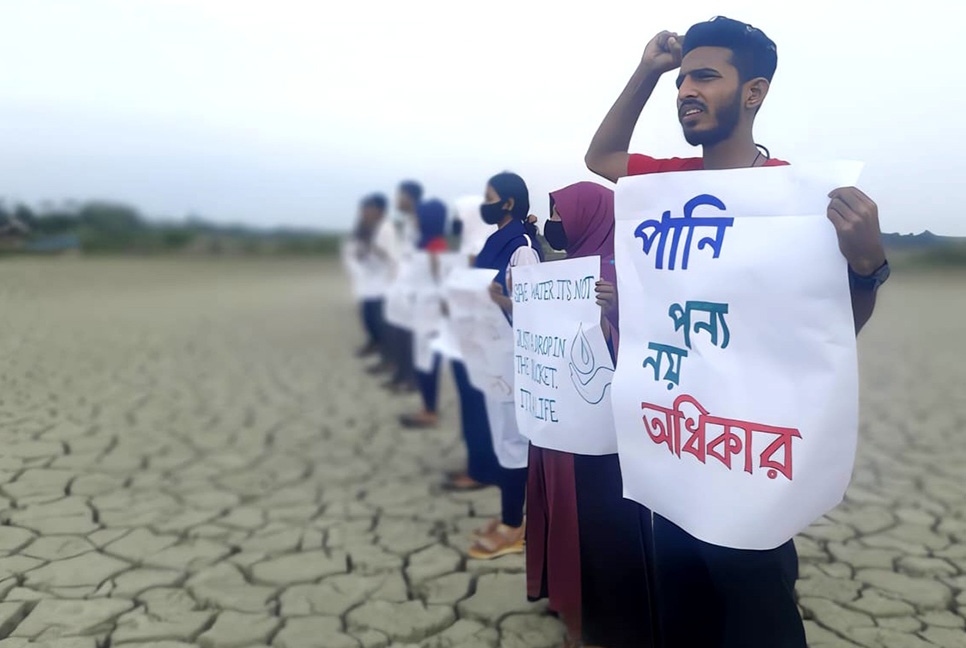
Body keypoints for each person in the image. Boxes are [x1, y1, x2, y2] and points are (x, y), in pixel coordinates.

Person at [585, 16, 889, 648]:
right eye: (681, 81)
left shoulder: (795, 200)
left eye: (705, 77)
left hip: (747, 461)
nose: (685, 92)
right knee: (681, 612)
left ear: (753, 93)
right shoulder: (669, 184)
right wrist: (648, 69)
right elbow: (601, 158)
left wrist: (866, 265)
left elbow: (828, 335)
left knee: (756, 609)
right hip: (673, 453)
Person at [526, 182, 654, 648]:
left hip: (604, 432)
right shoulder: (566, 273)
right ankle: (568, 602)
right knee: (568, 514)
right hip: (560, 420)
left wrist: (615, 313)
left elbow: (647, 337)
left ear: (588, 216)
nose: (556, 222)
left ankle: (603, 626)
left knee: (599, 523)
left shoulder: (626, 272)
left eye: (560, 213)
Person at [467, 171, 543, 560]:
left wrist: (501, 302)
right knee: (502, 442)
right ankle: (509, 517)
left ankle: (516, 526)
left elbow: (535, 312)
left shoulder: (522, 247)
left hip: (514, 360)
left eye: (490, 196)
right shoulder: (494, 242)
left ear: (508, 203)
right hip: (491, 356)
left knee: (514, 444)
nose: (485, 202)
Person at [442, 196, 501, 491]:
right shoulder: (470, 248)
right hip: (463, 342)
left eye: (459, 216)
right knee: (472, 407)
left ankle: (482, 470)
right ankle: (477, 464)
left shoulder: (479, 251)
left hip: (478, 345)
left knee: (478, 409)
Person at [400, 199, 449, 428]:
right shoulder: (425, 243)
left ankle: (430, 410)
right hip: (421, 311)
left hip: (431, 316)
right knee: (422, 362)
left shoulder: (435, 246)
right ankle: (426, 406)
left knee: (427, 364)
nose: (416, 220)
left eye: (419, 216)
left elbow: (441, 282)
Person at [381, 180, 424, 393]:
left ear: (409, 198)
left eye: (400, 196)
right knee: (397, 329)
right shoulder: (409, 220)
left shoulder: (419, 220)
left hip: (412, 286)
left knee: (407, 334)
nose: (397, 200)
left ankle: (409, 378)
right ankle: (401, 375)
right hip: (402, 282)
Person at [350, 193, 390, 358]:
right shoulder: (363, 227)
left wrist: (373, 248)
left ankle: (383, 348)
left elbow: (391, 255)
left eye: (368, 208)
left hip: (382, 281)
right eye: (363, 208)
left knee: (378, 317)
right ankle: (373, 342)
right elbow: (356, 251)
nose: (364, 212)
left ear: (379, 210)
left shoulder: (386, 229)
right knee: (367, 315)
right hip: (367, 279)